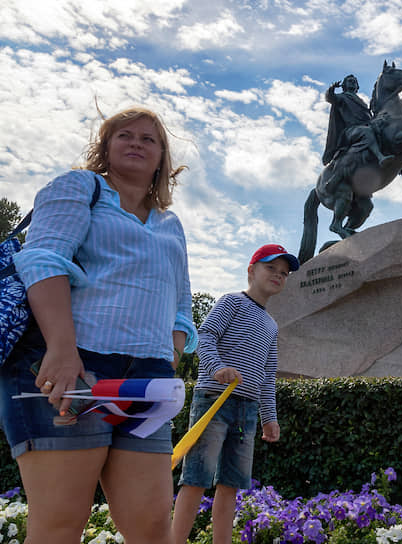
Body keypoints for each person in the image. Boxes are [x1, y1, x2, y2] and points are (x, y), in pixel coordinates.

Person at [0, 106, 197, 543]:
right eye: (124, 135)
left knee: (151, 529)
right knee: (59, 526)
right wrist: (62, 349)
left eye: (149, 139)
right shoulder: (79, 188)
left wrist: (171, 358)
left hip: (146, 381)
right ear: (105, 148)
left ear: (163, 157)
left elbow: (181, 305)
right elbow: (42, 260)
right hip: (71, 364)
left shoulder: (172, 224)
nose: (136, 143)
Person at [171, 243, 298, 544]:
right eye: (271, 268)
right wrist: (217, 367)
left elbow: (268, 376)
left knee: (231, 484)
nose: (278, 275)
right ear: (251, 270)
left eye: (284, 273)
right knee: (196, 478)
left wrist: (270, 417)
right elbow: (205, 335)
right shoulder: (231, 302)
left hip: (247, 411)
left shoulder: (271, 325)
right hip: (214, 401)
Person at [322, 74, 393, 168]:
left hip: (366, 125)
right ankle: (380, 157)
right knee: (366, 132)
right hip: (351, 130)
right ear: (344, 85)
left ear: (357, 86)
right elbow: (329, 97)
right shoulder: (341, 97)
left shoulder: (361, 100)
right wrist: (331, 89)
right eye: (350, 81)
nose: (352, 83)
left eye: (354, 81)